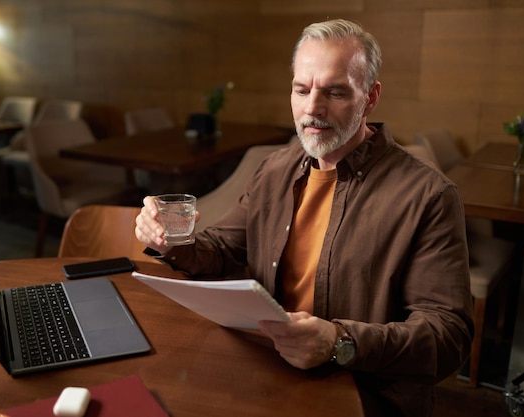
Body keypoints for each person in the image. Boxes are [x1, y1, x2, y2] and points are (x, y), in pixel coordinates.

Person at [135, 19, 473, 417]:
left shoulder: (428, 195)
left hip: (363, 391)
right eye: (301, 89)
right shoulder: (274, 169)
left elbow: (448, 336)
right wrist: (171, 239)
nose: (312, 108)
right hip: (266, 369)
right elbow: (223, 248)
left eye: (335, 92)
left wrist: (340, 341)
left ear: (370, 97)